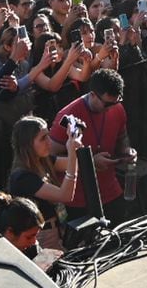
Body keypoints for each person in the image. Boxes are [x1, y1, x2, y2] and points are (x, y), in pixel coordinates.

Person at [48, 69, 134, 220]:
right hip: (78, 198)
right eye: (107, 104)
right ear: (93, 94)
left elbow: (122, 137)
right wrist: (90, 162)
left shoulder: (117, 108)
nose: (111, 108)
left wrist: (126, 150)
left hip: (110, 191)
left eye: (116, 102)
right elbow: (50, 160)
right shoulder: (67, 117)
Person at [7, 114, 84, 250]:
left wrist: (74, 137)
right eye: (43, 138)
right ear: (28, 144)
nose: (49, 141)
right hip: (41, 237)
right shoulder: (22, 178)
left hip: (58, 229)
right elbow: (65, 195)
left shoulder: (43, 160)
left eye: (48, 135)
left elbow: (73, 164)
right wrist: (71, 150)